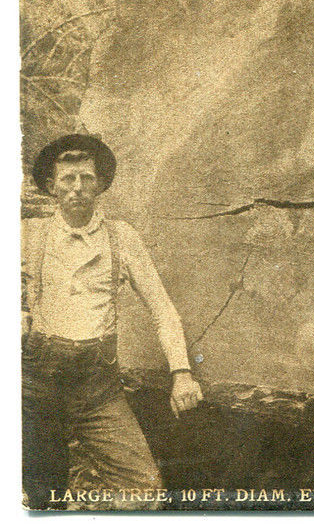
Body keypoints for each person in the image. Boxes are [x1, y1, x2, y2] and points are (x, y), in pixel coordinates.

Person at [22, 134, 203, 510]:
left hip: (97, 388)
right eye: (68, 179)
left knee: (144, 492)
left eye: (86, 178)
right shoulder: (27, 235)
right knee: (42, 496)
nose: (77, 187)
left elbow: (163, 309)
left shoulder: (122, 237)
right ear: (52, 186)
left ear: (100, 184)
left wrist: (182, 372)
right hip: (37, 386)